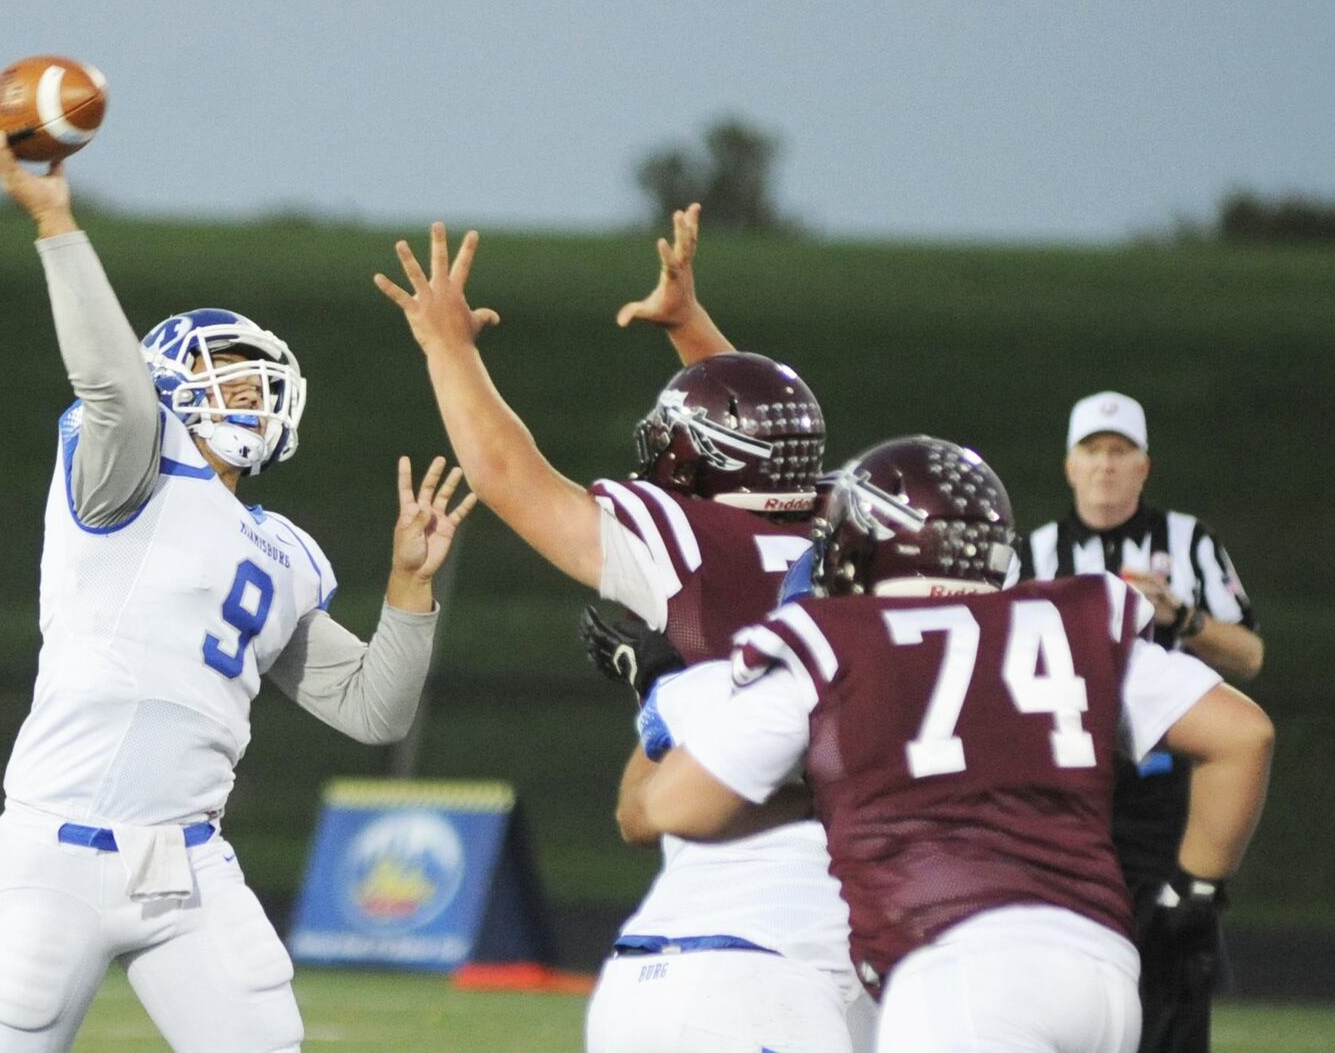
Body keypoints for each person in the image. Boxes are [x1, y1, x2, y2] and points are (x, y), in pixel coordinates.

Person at [0, 128, 476, 1053]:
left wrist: (408, 587)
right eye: (225, 369)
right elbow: (113, 385)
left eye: (252, 373)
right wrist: (57, 224)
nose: (248, 387)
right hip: (55, 850)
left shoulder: (283, 551)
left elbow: (374, 710)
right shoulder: (125, 472)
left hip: (189, 864)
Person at [375, 217, 869, 1052]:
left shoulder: (689, 540)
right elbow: (767, 442)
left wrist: (447, 346)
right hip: (877, 904)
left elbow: (506, 476)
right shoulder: (853, 524)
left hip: (742, 909)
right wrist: (691, 330)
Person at [634, 435, 1274, 1053]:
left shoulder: (836, 638)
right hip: (1102, 973)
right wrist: (1196, 890)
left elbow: (671, 809)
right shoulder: (1067, 622)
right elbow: (1243, 734)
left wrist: (822, 794)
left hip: (958, 969)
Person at [1021, 390, 1264, 1053]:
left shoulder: (1187, 542)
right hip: (1069, 788)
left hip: (1167, 796)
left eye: (1120, 452)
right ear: (1069, 465)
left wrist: (1181, 617)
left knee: (1174, 955)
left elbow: (1249, 653)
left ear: (1143, 466)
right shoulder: (1034, 554)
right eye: (1093, 452)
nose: (1105, 466)